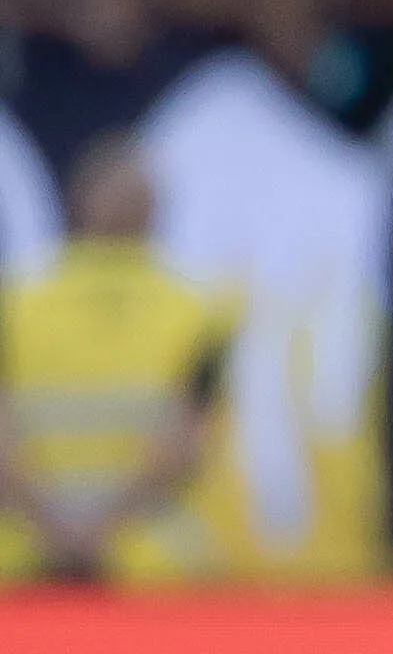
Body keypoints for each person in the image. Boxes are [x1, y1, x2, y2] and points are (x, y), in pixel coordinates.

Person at [0, 131, 231, 584]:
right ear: (155, 211)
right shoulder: (200, 309)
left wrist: (53, 530)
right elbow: (184, 444)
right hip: (148, 556)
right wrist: (103, 532)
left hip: (25, 550)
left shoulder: (15, 303)